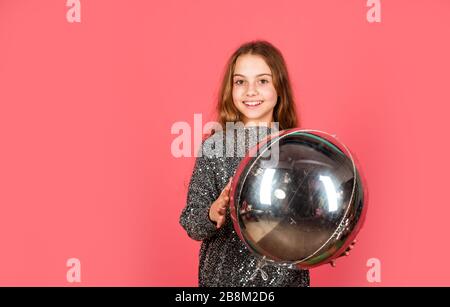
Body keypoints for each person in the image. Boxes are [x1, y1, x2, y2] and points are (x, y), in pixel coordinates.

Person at [179, 40, 352, 287]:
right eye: (240, 81)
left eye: (262, 81)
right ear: (231, 89)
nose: (251, 91)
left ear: (279, 87)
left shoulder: (297, 149)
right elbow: (192, 222)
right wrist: (214, 211)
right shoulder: (215, 148)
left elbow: (311, 218)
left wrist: (333, 239)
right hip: (223, 284)